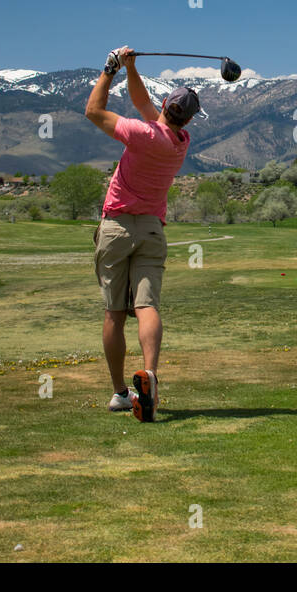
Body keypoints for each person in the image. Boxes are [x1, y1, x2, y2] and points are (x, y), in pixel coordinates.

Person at [85, 46, 200, 422]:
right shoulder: (179, 143)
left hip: (117, 226)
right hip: (152, 229)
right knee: (147, 306)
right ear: (188, 119)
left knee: (114, 313)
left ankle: (121, 392)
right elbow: (144, 105)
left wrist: (110, 68)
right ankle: (149, 376)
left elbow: (93, 112)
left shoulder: (139, 133)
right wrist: (132, 69)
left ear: (166, 104)